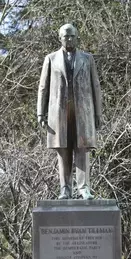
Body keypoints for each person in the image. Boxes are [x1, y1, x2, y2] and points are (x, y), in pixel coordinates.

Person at [37, 24, 102, 200]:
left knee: (82, 150)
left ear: (77, 37)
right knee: (63, 150)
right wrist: (40, 113)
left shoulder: (87, 59)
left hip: (83, 111)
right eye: (66, 37)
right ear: (60, 38)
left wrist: (98, 113)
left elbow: (96, 86)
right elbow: (43, 87)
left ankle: (84, 188)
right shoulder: (50, 59)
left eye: (72, 36)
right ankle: (65, 189)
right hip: (59, 113)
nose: (69, 39)